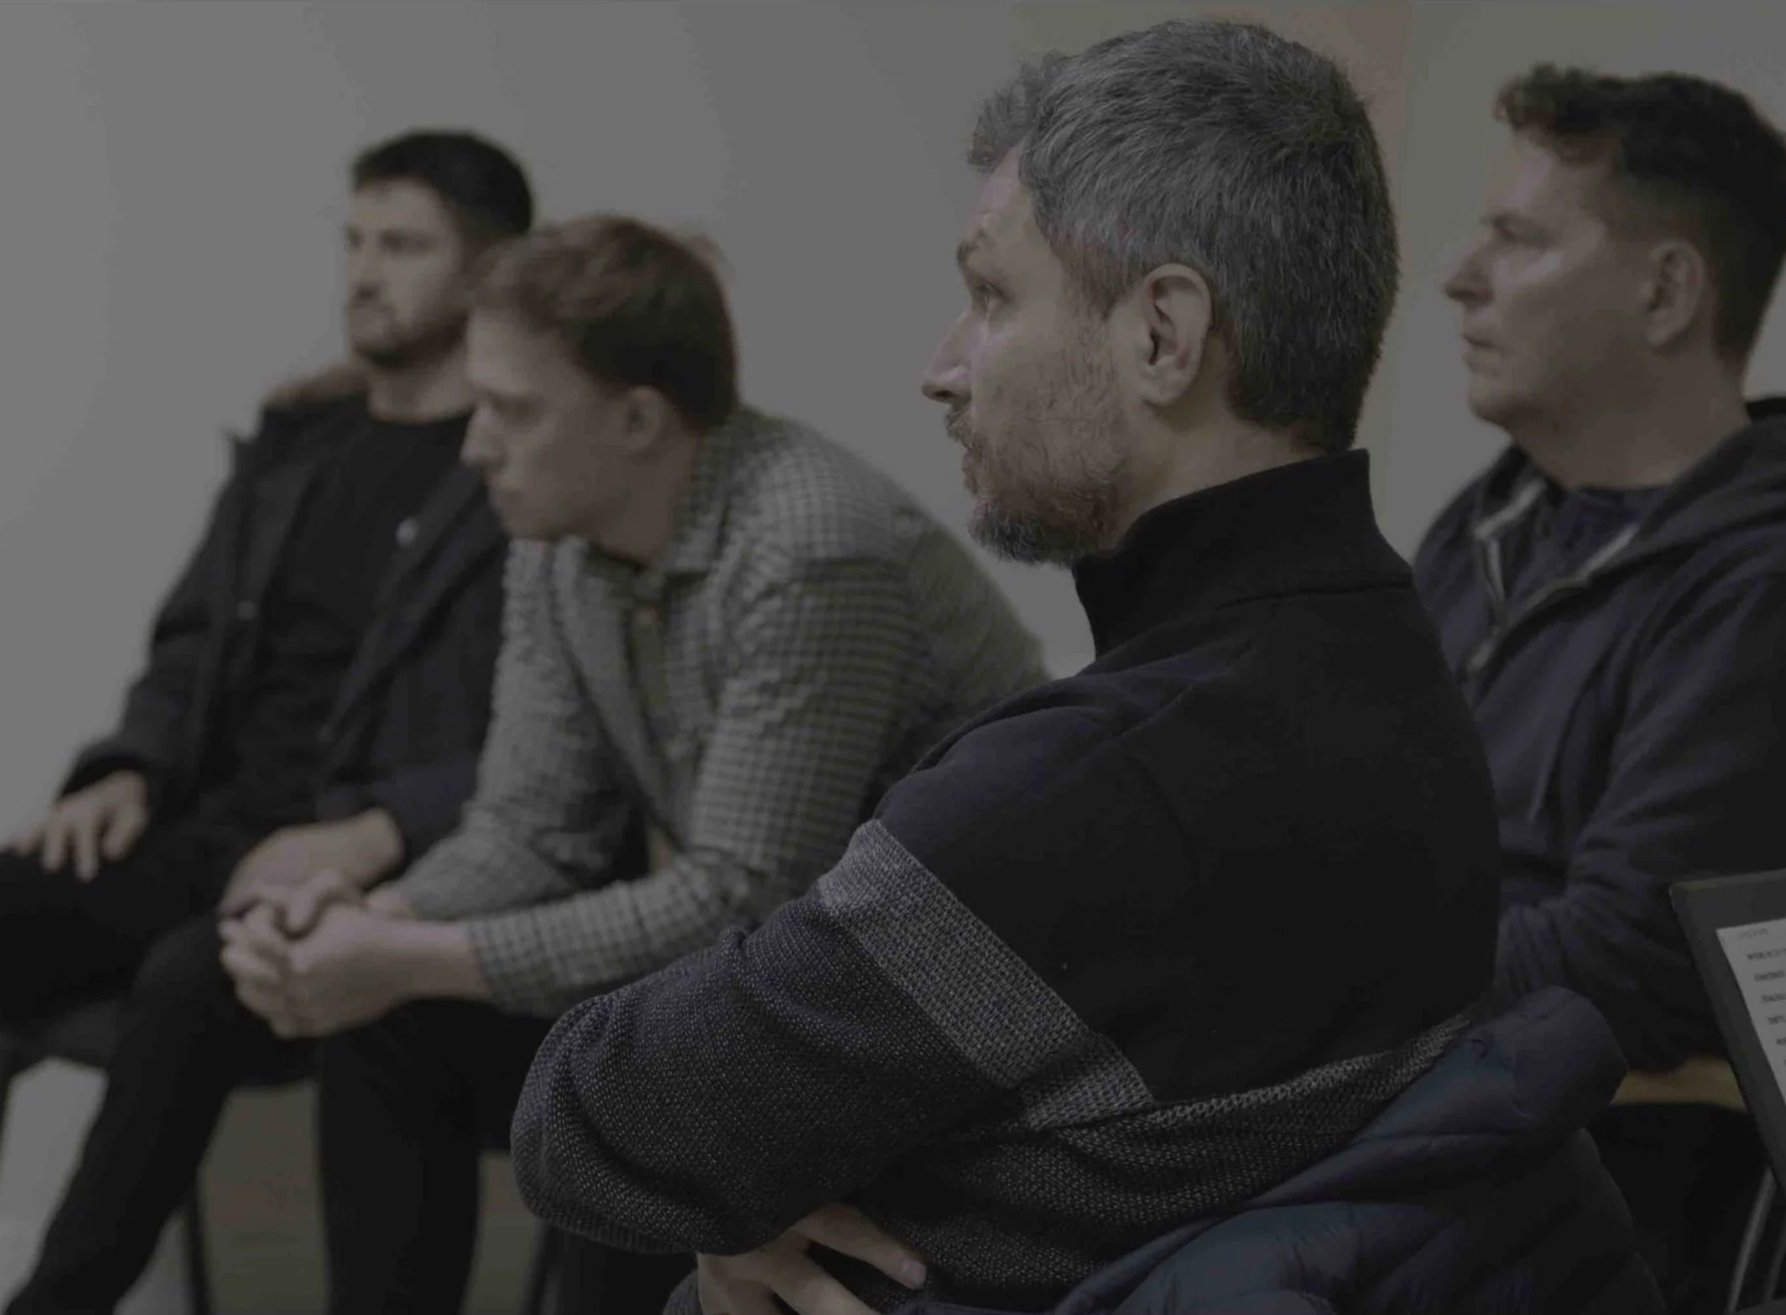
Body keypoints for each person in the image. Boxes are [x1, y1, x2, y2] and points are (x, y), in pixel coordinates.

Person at [509, 20, 1655, 1312]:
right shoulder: (1387, 659)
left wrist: (734, 1193)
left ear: (1162, 334)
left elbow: (594, 1119)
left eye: (993, 296)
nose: (940, 367)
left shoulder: (1082, 791)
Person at [0, 127, 533, 1315]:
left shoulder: (518, 467)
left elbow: (537, 727)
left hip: (366, 875)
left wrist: (378, 830)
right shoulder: (295, 446)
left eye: (405, 244)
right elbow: (188, 641)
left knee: (183, 975)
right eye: (355, 240)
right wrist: (125, 769)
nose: (364, 271)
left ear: (487, 271)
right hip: (205, 833)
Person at [217, 213, 1047, 1315]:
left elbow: (740, 902)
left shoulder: (809, 547)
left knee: (631, 1076)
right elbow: (528, 828)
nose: (472, 446)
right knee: (398, 1022)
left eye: (511, 411)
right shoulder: (556, 538)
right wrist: (367, 920)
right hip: (767, 984)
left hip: (938, 1013)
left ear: (637, 419)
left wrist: (405, 950)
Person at [1421, 63, 1786, 1311]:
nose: (1458, 276)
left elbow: (1621, 966)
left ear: (1666, 289)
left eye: (1515, 239)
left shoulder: (1760, 588)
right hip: (1400, 1136)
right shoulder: (1490, 517)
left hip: (1581, 1218)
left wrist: (1307, 968)